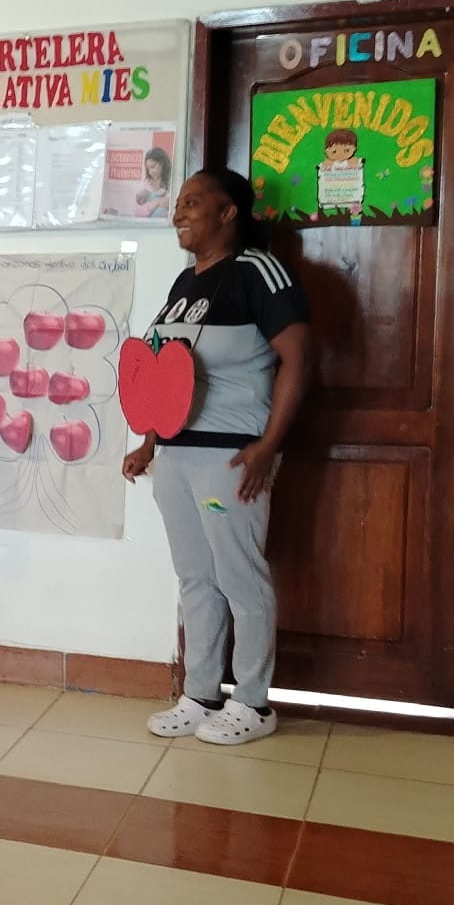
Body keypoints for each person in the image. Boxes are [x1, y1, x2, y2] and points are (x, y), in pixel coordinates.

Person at [123, 169, 312, 745]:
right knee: (195, 577)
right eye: (178, 202)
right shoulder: (186, 282)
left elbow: (298, 359)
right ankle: (201, 693)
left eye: (193, 202)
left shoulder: (258, 271)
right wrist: (149, 442)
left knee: (239, 576)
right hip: (176, 455)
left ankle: (253, 702)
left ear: (229, 213)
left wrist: (267, 445)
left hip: (231, 457)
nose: (179, 212)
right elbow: (165, 370)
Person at [135, 145, 172, 219]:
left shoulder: (172, 182)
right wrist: (157, 202)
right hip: (150, 224)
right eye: (148, 169)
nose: (150, 172)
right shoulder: (146, 183)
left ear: (162, 163)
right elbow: (136, 212)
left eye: (153, 166)